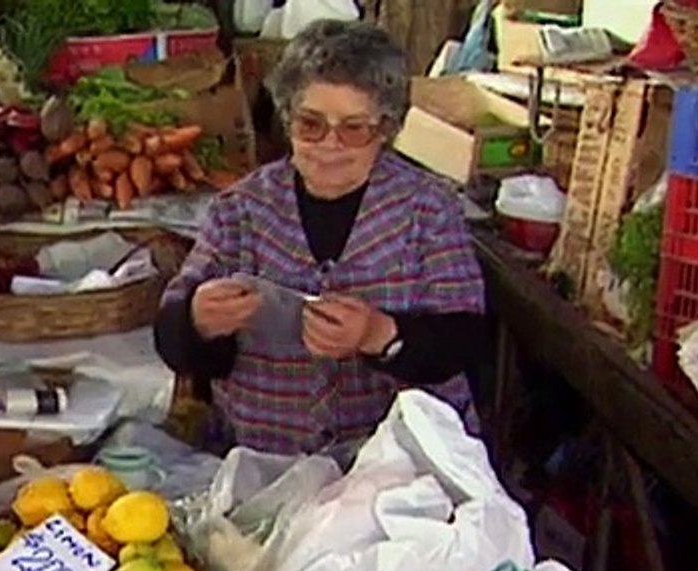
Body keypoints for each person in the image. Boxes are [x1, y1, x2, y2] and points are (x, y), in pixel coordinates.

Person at [154, 19, 488, 456]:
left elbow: (465, 338)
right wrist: (197, 321)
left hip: (397, 464)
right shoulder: (240, 210)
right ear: (288, 119)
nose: (330, 144)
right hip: (268, 459)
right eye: (311, 124)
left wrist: (380, 333)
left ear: (385, 129)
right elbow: (173, 337)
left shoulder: (429, 208)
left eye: (354, 128)